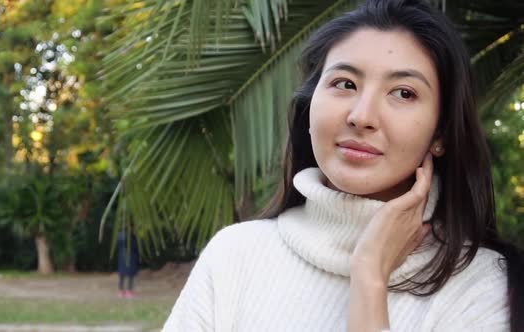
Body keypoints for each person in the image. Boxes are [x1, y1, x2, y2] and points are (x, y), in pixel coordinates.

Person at [162, 0, 524, 331]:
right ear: (310, 104)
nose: (362, 116)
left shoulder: (481, 285)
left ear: (440, 133)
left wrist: (369, 277)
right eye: (344, 83)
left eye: (403, 93)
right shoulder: (234, 256)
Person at [117, 224, 139, 299]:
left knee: (129, 275)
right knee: (124, 275)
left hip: (130, 258)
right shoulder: (124, 236)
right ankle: (123, 291)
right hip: (125, 257)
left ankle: (127, 291)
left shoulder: (130, 236)